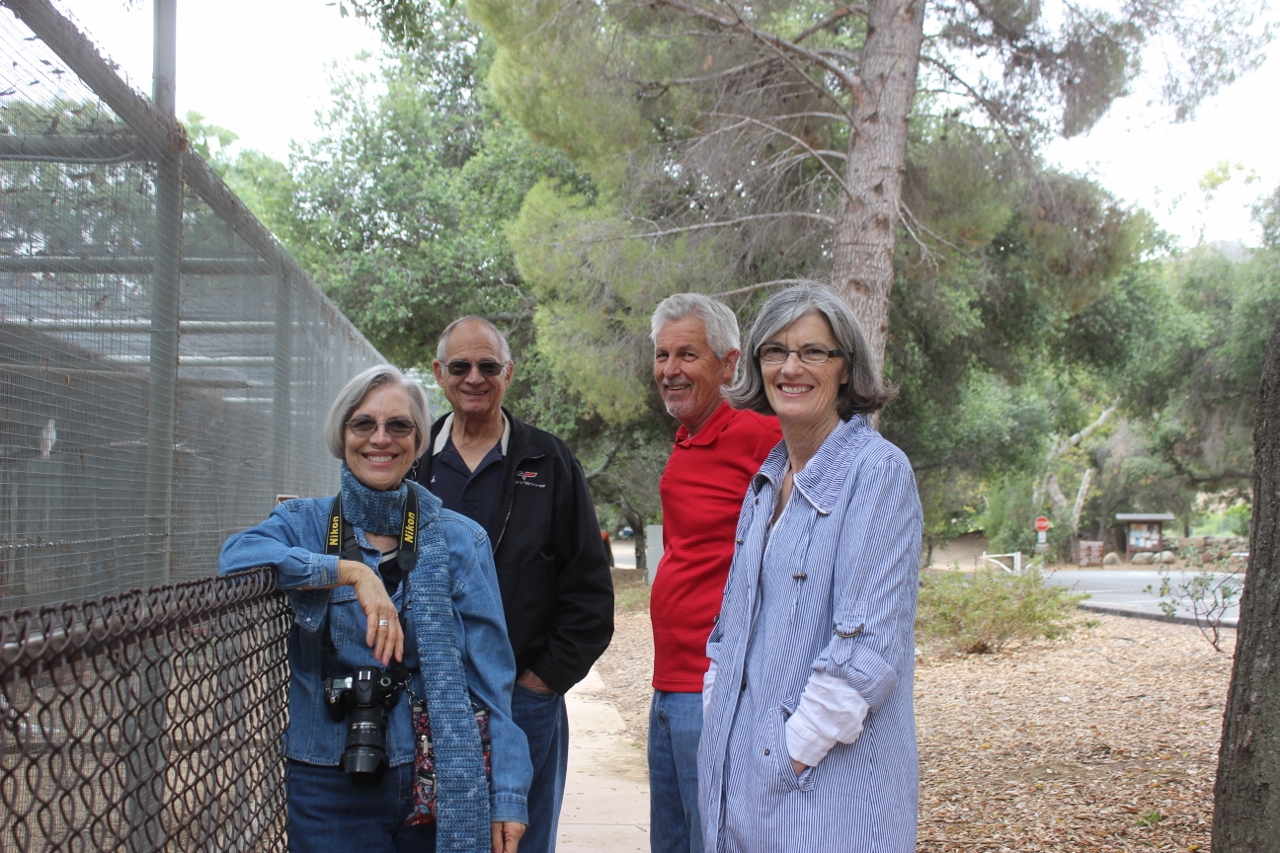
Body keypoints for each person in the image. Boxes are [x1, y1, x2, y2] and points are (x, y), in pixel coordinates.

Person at [219, 365, 531, 853]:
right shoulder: (304, 524)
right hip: (327, 780)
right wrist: (348, 573)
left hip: (436, 777)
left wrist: (507, 795)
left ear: (417, 440)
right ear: (342, 434)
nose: (380, 438)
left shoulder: (460, 540)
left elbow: (492, 682)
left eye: (398, 425)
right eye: (363, 423)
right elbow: (236, 557)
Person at [698, 284, 923, 852]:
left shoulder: (877, 472)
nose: (790, 368)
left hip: (829, 801)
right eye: (775, 351)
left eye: (813, 352)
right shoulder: (767, 481)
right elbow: (732, 628)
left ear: (845, 369)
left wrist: (786, 756)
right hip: (744, 787)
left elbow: (868, 648)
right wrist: (719, 720)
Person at [415, 317, 615, 853]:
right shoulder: (411, 461)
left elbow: (590, 593)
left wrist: (540, 684)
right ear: (439, 373)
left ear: (508, 373)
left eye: (488, 366)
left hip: (524, 701)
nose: (474, 378)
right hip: (425, 704)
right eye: (460, 366)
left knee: (519, 842)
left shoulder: (549, 461)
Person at [647, 294, 780, 853]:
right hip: (667, 687)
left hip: (712, 692)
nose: (669, 370)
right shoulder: (687, 438)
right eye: (662, 355)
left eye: (687, 355)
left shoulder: (759, 436)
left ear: (728, 365)